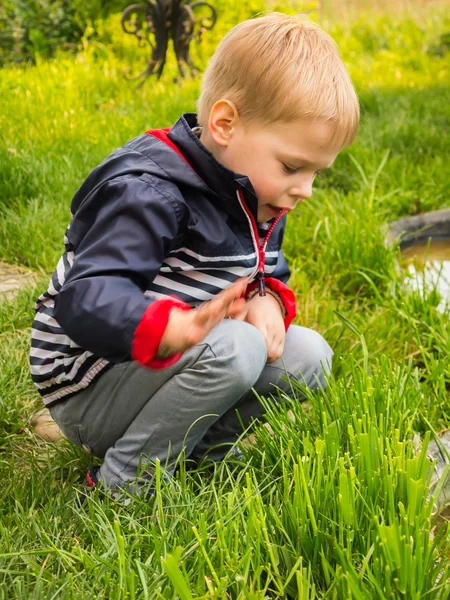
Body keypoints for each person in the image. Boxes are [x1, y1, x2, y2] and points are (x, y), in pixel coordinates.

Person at [29, 13, 359, 498]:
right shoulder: (149, 193)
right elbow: (86, 297)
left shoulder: (255, 190)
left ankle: (199, 450)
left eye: (316, 174)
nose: (305, 190)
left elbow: (262, 266)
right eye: (293, 166)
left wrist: (266, 297)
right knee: (237, 349)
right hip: (90, 385)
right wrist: (163, 326)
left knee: (310, 356)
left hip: (165, 371)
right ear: (225, 124)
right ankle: (124, 480)